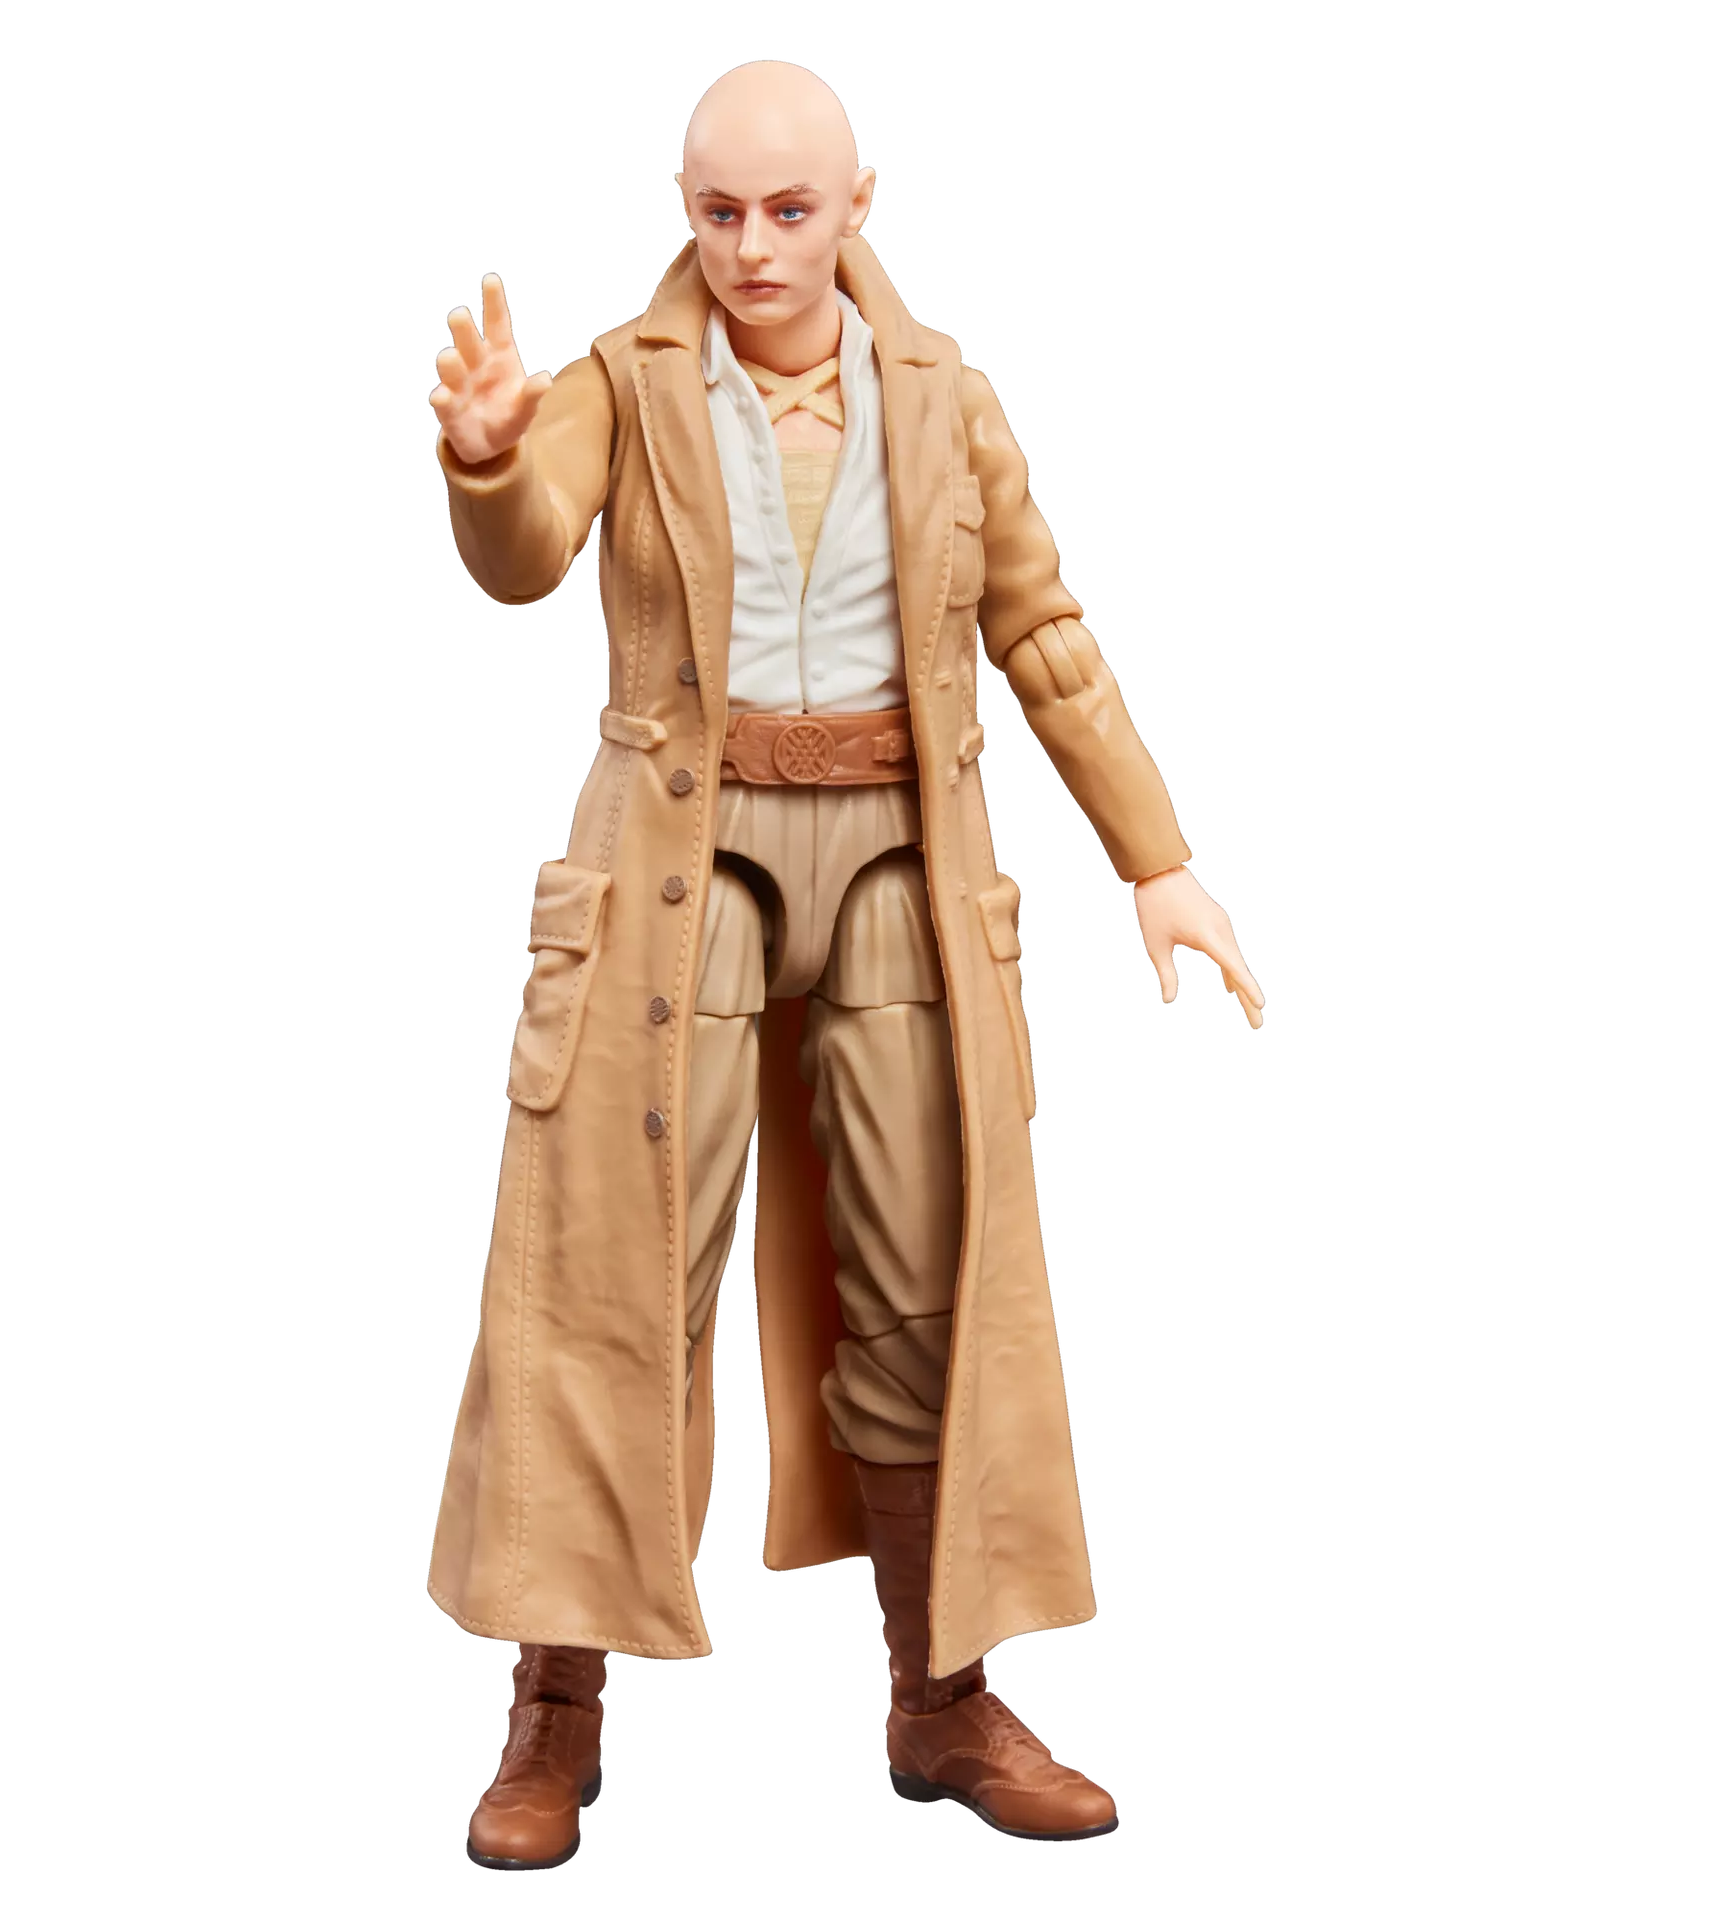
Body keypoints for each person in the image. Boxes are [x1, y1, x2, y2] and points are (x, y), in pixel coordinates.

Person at [425, 58, 1266, 1873]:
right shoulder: (623, 383)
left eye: (790, 210)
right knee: (611, 1271)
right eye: (719, 210)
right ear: (681, 202)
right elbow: (527, 557)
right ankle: (553, 1711)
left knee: (929, 1269)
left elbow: (1041, 626)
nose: (752, 248)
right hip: (685, 855)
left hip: (898, 850)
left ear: (859, 202)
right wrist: (487, 456)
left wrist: (1160, 859)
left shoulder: (942, 393)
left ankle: (941, 1696)